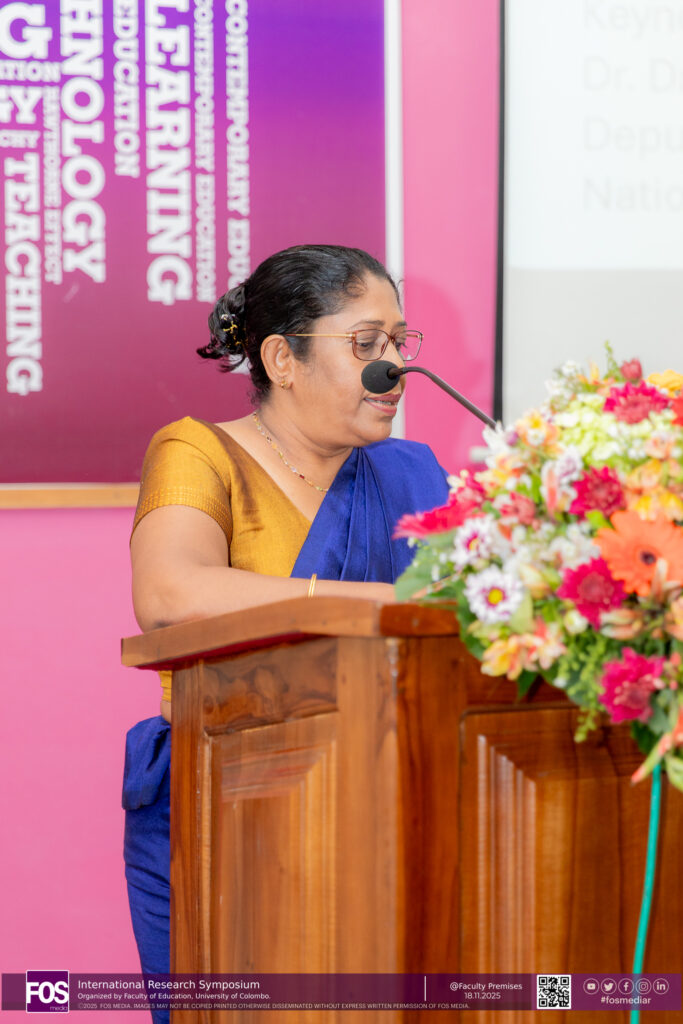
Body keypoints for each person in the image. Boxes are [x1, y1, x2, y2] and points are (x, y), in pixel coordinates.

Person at [122, 244, 450, 1007]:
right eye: (365, 344)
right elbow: (168, 592)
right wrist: (377, 603)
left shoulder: (413, 472)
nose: (394, 366)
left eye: (399, 341)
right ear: (281, 359)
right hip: (229, 810)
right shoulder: (198, 450)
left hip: (394, 808)